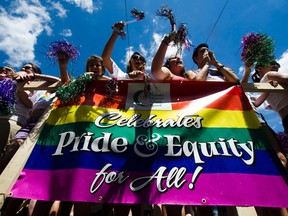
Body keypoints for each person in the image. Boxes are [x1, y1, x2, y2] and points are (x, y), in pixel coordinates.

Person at [242, 60, 288, 216]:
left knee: (280, 162)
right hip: (277, 119)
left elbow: (257, 101)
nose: (276, 65)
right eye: (272, 63)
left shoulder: (270, 82)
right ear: (261, 69)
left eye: (277, 64)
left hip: (279, 119)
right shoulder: (269, 76)